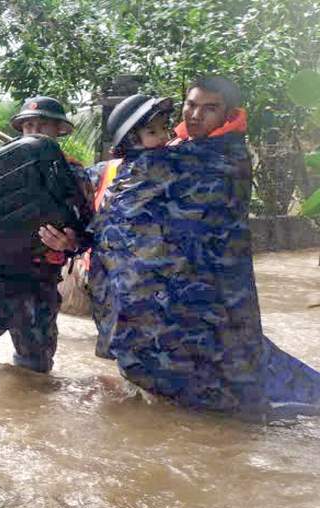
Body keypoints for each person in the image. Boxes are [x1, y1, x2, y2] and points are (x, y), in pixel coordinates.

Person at [88, 80, 320, 415]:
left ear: (227, 115)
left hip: (210, 293)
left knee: (220, 380)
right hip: (169, 301)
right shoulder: (173, 151)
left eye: (209, 108)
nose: (196, 114)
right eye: (191, 104)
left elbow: (140, 178)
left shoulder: (221, 157)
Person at [0, 96, 93, 373]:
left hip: (39, 282)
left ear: (59, 130)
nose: (35, 132)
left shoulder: (74, 172)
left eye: (43, 125)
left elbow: (89, 230)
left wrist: (69, 243)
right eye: (28, 126)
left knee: (35, 374)